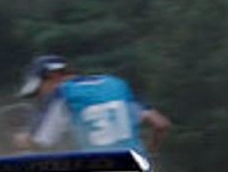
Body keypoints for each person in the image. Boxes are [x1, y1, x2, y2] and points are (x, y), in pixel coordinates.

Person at [13, 55, 170, 157]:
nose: (40, 97)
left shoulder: (62, 93)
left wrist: (21, 140)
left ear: (53, 77)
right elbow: (160, 124)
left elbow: (40, 141)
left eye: (39, 90)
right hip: (135, 170)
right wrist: (150, 151)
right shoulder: (116, 84)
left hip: (99, 171)